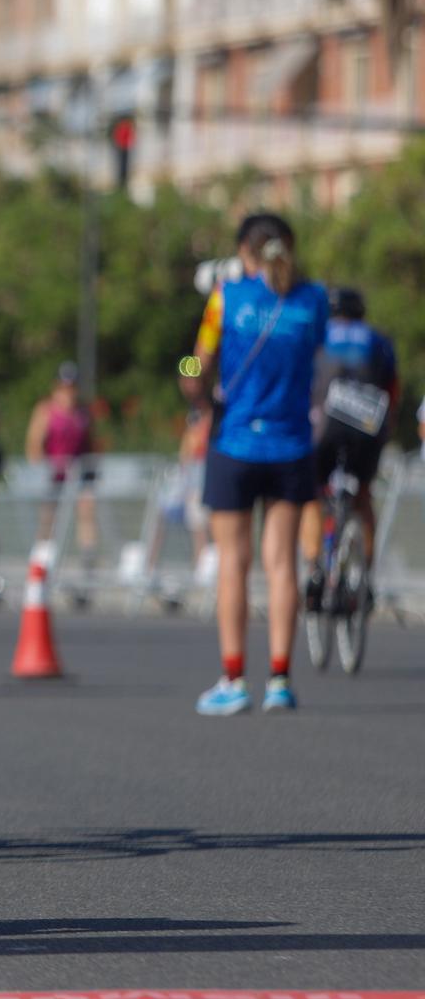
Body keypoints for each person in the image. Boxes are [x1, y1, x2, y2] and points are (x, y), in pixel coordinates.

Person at [182, 213, 327, 715]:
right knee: (282, 563)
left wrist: (187, 377)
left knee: (233, 566)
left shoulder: (226, 296)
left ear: (245, 251)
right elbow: (317, 357)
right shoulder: (314, 300)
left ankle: (234, 678)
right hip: (292, 445)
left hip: (236, 443)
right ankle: (281, 681)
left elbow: (196, 362)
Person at [299, 286, 399, 610]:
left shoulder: (318, 334)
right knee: (364, 495)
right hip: (368, 426)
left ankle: (315, 569)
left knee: (312, 493)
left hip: (325, 425)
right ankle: (366, 579)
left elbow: (303, 382)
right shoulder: (379, 339)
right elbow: (392, 389)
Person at [26, 362, 101, 555]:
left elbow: (91, 442)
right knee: (49, 517)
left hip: (79, 473)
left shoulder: (82, 413)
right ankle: (42, 557)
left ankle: (87, 556)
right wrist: (41, 469)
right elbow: (34, 443)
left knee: (87, 509)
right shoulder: (45, 410)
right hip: (53, 475)